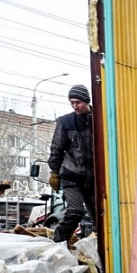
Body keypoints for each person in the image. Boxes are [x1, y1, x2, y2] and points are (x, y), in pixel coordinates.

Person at [48, 85, 95, 244]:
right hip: (72, 175)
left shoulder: (100, 120)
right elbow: (56, 149)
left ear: (87, 101)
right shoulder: (66, 122)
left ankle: (100, 252)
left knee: (101, 218)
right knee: (75, 212)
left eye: (78, 102)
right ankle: (58, 245)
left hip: (93, 179)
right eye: (72, 102)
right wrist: (55, 172)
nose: (75, 106)